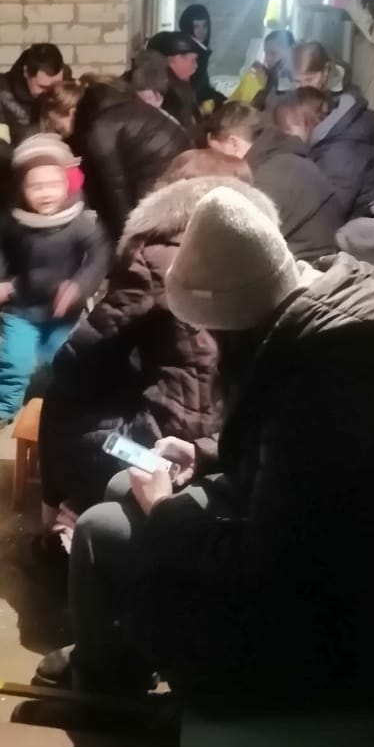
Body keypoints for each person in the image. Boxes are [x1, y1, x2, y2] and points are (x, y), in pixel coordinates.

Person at [37, 185, 374, 706]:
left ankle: (107, 687)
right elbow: (298, 470)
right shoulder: (332, 317)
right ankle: (109, 651)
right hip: (342, 559)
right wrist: (207, 453)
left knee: (97, 529)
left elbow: (267, 564)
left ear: (235, 318)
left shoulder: (324, 385)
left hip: (330, 615)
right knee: (118, 484)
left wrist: (163, 512)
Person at [36, 150, 272, 566]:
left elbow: (81, 358)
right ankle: (78, 511)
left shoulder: (160, 254)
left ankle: (62, 514)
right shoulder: (264, 248)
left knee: (57, 392)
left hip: (175, 436)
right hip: (242, 431)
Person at [0, 134, 110, 434]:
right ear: (20, 188)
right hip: (22, 306)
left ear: (68, 184)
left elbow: (100, 254)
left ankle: (59, 405)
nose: (45, 193)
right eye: (35, 186)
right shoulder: (10, 220)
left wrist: (79, 286)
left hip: (64, 311)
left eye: (53, 184)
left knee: (62, 360)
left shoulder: (81, 221)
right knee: (14, 359)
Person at [293, 42, 374, 278]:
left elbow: (327, 212)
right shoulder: (333, 125)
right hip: (370, 232)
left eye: (309, 80)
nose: (303, 89)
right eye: (297, 82)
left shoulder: (342, 146)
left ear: (325, 74)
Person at [50, 53, 192, 242]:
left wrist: (124, 240)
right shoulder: (120, 106)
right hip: (179, 169)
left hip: (161, 178)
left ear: (72, 112)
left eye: (60, 127)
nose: (64, 134)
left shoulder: (100, 127)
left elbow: (114, 188)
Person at [206, 99, 344, 261]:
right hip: (322, 263)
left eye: (216, 153)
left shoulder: (266, 180)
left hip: (308, 273)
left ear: (233, 143)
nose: (215, 162)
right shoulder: (285, 158)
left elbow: (239, 252)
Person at [0, 43, 66, 209]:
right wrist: (31, 166)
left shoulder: (63, 83)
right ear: (26, 72)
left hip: (57, 178)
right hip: (11, 179)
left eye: (56, 85)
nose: (51, 93)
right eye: (43, 87)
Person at [145, 31, 219, 129]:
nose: (196, 66)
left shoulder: (176, 84)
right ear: (174, 60)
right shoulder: (168, 95)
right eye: (193, 60)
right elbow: (184, 133)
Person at [178, 3, 226, 112]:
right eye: (196, 26)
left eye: (205, 26)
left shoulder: (200, 51)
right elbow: (191, 90)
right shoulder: (184, 53)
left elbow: (202, 87)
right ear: (187, 27)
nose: (202, 32)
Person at [229, 28, 295, 106]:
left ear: (290, 53)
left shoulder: (287, 75)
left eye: (273, 53)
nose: (267, 58)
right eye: (266, 53)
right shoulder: (272, 72)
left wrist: (262, 79)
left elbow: (281, 98)